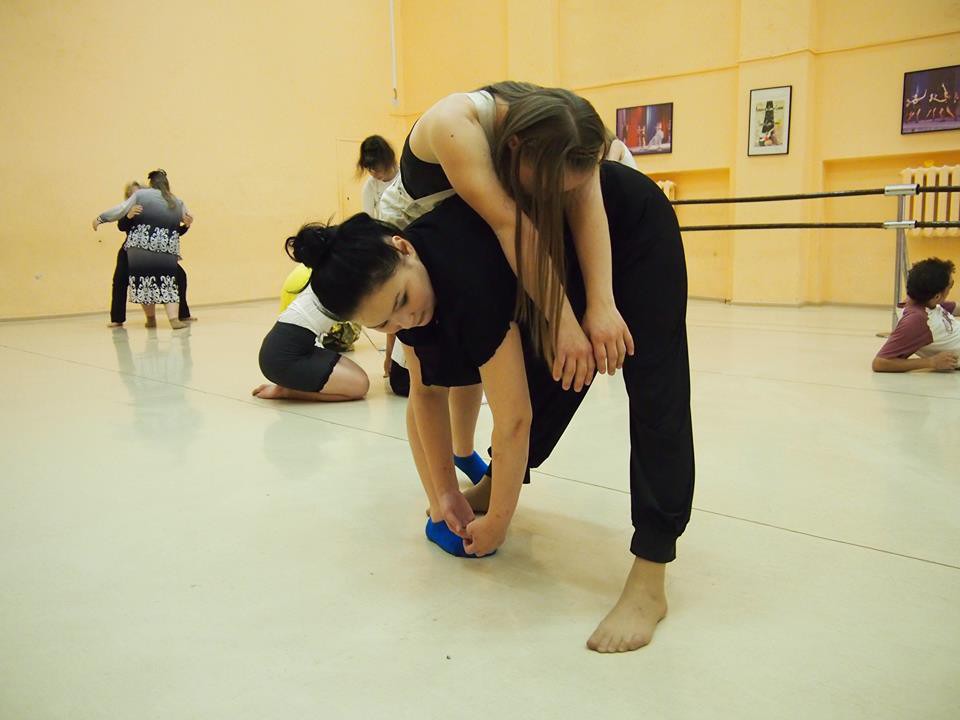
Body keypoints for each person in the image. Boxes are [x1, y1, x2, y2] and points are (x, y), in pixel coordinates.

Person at [289, 161, 695, 653]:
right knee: (555, 368)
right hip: (556, 257)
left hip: (625, 223)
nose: (406, 319)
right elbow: (425, 396)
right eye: (385, 323)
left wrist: (500, 522)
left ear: (403, 247)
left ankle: (651, 572)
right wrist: (443, 494)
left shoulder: (465, 277)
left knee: (655, 390)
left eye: (401, 301)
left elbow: (513, 417)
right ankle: (499, 479)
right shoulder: (407, 291)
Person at [94, 169, 191, 329]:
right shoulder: (174, 201)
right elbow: (122, 226)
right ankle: (168, 319)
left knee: (153, 282)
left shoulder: (146, 198)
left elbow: (178, 227)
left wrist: (100, 219)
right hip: (152, 251)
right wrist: (129, 215)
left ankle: (164, 317)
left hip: (142, 251)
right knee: (159, 281)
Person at [873, 258, 959, 372]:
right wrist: (931, 362)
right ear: (937, 296)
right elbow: (880, 363)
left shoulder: (925, 300)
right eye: (950, 286)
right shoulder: (916, 320)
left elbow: (957, 307)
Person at [358, 135, 399, 220]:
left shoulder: (404, 177)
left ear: (387, 161)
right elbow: (368, 218)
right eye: (370, 170)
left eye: (377, 169)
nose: (374, 174)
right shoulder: (370, 186)